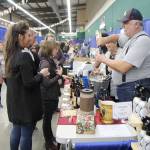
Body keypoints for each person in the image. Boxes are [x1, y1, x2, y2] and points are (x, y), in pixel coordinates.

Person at [4, 21, 49, 150]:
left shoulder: (11, 54)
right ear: (20, 37)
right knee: (26, 134)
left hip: (15, 101)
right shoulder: (24, 56)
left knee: (16, 130)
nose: (31, 38)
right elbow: (29, 82)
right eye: (28, 35)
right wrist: (41, 74)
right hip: (25, 104)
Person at [95, 8, 150, 102]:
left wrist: (103, 59)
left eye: (126, 23)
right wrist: (105, 39)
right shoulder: (132, 38)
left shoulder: (143, 40)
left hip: (134, 90)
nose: (123, 26)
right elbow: (117, 37)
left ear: (137, 24)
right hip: (127, 89)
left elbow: (124, 67)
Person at [39, 40, 62, 150]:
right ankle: (48, 143)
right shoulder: (45, 63)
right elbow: (46, 83)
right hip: (47, 96)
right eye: (55, 49)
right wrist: (59, 76)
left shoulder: (49, 60)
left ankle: (50, 137)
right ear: (49, 49)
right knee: (47, 120)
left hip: (50, 95)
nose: (57, 51)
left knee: (48, 120)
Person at [0, 41, 5, 108]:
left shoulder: (5, 53)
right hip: (1, 75)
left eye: (1, 45)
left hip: (6, 75)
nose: (1, 46)